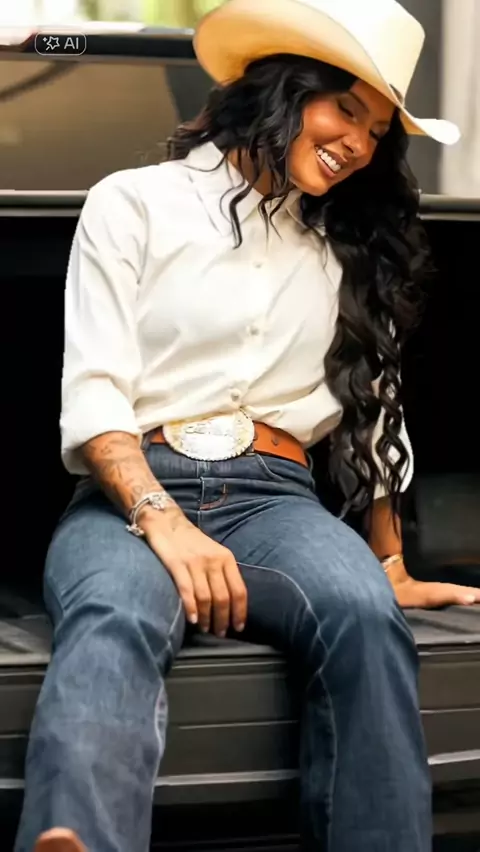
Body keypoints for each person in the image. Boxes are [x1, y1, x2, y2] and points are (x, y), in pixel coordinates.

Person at [17, 1, 480, 851]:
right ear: (283, 90)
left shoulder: (349, 246)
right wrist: (163, 521)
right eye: (346, 109)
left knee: (363, 614)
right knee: (113, 611)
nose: (358, 143)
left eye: (378, 131)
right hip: (131, 493)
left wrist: (389, 566)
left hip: (276, 500)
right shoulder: (134, 203)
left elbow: (376, 413)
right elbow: (95, 390)